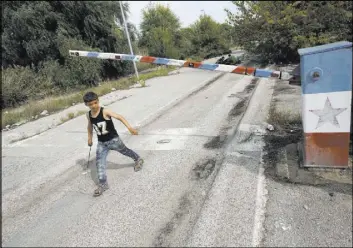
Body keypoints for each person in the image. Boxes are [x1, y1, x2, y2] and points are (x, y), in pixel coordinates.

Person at [83, 91, 144, 197]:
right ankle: (103, 184)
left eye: (95, 103)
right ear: (86, 105)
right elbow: (89, 126)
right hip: (102, 143)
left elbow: (119, 117)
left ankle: (138, 159)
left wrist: (130, 128)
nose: (93, 106)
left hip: (114, 140)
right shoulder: (88, 115)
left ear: (98, 101)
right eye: (90, 104)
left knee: (125, 151)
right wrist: (89, 138)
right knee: (99, 163)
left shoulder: (105, 111)